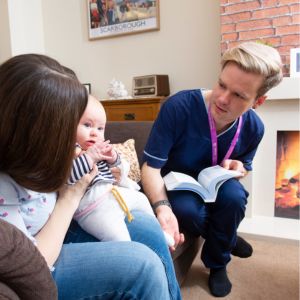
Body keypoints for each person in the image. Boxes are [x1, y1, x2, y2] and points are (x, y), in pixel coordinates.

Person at [0, 54, 181, 300]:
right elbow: (32, 265)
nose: (74, 140)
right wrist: (72, 195)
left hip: (63, 221)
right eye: (70, 126)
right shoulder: (6, 183)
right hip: (41, 256)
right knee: (143, 266)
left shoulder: (45, 154)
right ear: (35, 132)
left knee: (147, 228)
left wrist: (114, 166)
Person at [141, 41, 283, 297]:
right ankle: (226, 239)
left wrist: (238, 168)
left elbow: (244, 168)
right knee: (185, 210)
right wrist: (162, 208)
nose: (222, 99)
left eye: (239, 95)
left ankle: (218, 264)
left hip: (216, 184)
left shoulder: (254, 128)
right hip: (178, 184)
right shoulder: (179, 107)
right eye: (222, 84)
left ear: (258, 101)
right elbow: (151, 168)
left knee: (235, 196)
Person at [70, 94, 160, 242]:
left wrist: (113, 157)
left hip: (113, 194)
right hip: (92, 210)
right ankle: (128, 255)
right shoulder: (71, 151)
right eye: (87, 125)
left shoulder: (98, 148)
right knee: (120, 239)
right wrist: (90, 157)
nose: (94, 132)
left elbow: (118, 167)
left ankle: (161, 232)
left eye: (100, 128)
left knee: (141, 199)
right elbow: (70, 176)